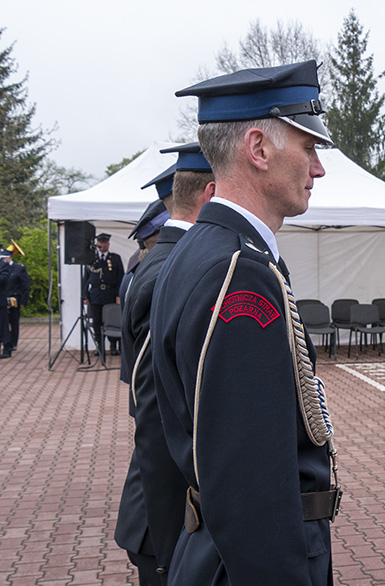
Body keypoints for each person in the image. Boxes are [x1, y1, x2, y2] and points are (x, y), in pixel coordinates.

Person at [151, 61, 340, 586]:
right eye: (308, 148)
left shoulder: (201, 250)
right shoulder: (240, 273)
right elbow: (249, 482)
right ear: (258, 149)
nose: (318, 168)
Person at [115, 143, 213, 585]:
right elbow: (154, 418)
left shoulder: (156, 262)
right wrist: (172, 536)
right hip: (169, 514)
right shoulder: (175, 269)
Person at [84, 233, 125, 356]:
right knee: (97, 322)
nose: (103, 245)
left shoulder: (115, 258)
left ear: (108, 244)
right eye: (101, 243)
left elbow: (120, 278)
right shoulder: (92, 260)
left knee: (112, 321)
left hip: (110, 293)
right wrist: (85, 296)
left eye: (106, 242)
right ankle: (100, 346)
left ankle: (113, 345)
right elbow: (85, 279)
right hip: (96, 294)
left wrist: (119, 295)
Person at [2, 245, 31, 352]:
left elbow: (25, 285)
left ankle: (13, 343)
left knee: (14, 322)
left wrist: (23, 300)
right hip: (3, 298)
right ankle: (5, 341)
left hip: (14, 298)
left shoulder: (19, 268)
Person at [0, 251, 11, 358]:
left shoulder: (3, 264)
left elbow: (3, 278)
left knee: (2, 326)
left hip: (0, 303)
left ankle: (7, 349)